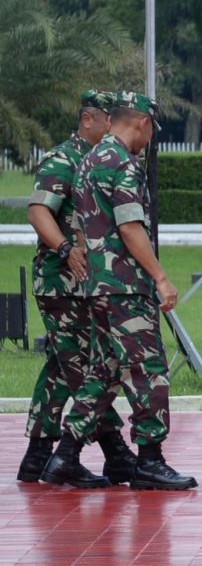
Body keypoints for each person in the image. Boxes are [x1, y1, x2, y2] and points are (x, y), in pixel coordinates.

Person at [40, 91, 196, 491]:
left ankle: (64, 456)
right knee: (149, 372)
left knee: (103, 372)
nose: (149, 139)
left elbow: (80, 225)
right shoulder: (124, 164)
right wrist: (160, 277)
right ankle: (150, 460)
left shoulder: (90, 161)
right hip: (126, 287)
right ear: (142, 123)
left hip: (96, 287)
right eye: (151, 130)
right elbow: (130, 228)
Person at [21, 90, 126, 483]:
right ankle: (113, 448)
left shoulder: (100, 160)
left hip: (82, 285)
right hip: (61, 283)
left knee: (63, 366)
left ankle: (37, 454)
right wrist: (64, 248)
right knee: (86, 365)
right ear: (88, 120)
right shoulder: (65, 158)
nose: (114, 126)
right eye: (108, 119)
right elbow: (38, 210)